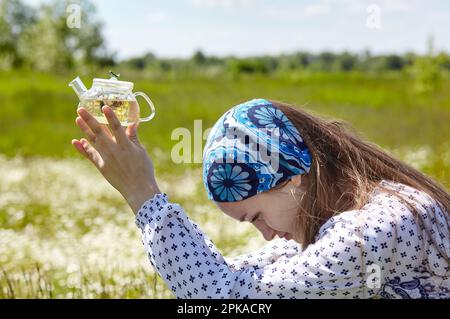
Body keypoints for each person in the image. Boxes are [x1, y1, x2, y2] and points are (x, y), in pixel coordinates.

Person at [72, 98, 449, 299]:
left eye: (255, 217)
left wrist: (143, 195)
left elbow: (224, 295)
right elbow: (238, 277)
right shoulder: (364, 210)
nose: (266, 235)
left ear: (290, 178)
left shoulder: (371, 232)